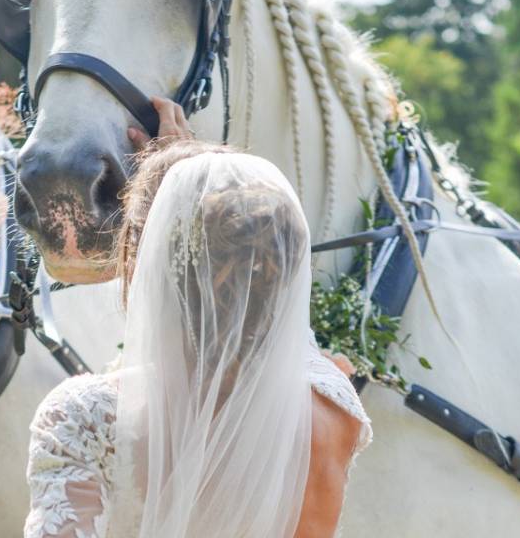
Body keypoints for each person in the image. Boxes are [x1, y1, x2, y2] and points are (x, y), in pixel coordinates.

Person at [24, 99, 371, 538]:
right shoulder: (333, 401)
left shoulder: (84, 415)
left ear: (144, 263)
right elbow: (256, 289)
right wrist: (189, 178)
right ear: (287, 263)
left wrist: (173, 183)